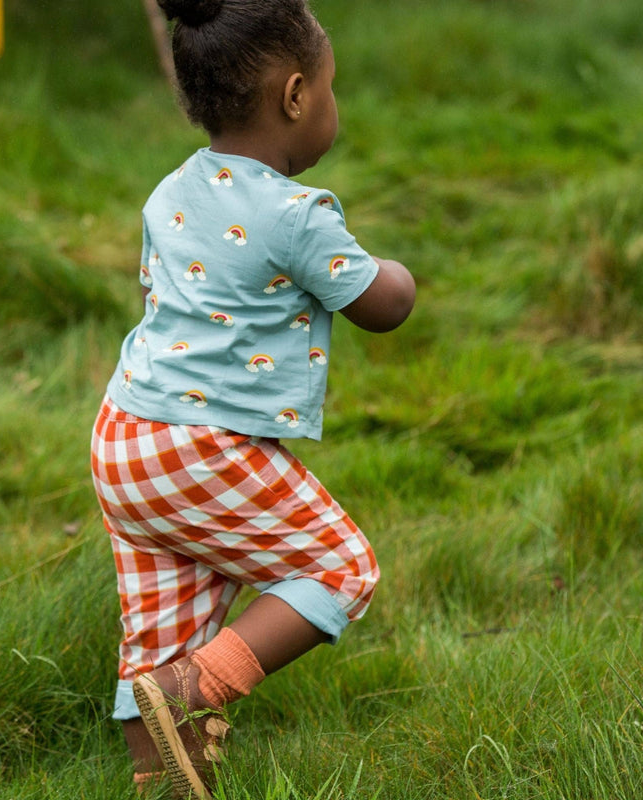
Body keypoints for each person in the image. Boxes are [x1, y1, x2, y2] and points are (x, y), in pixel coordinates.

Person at [90, 0, 416, 796]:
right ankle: (189, 694)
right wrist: (400, 273)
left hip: (126, 437)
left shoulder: (169, 191)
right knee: (341, 571)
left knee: (164, 629)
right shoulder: (295, 213)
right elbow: (383, 305)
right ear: (297, 95)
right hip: (202, 445)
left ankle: (163, 776)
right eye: (333, 90)